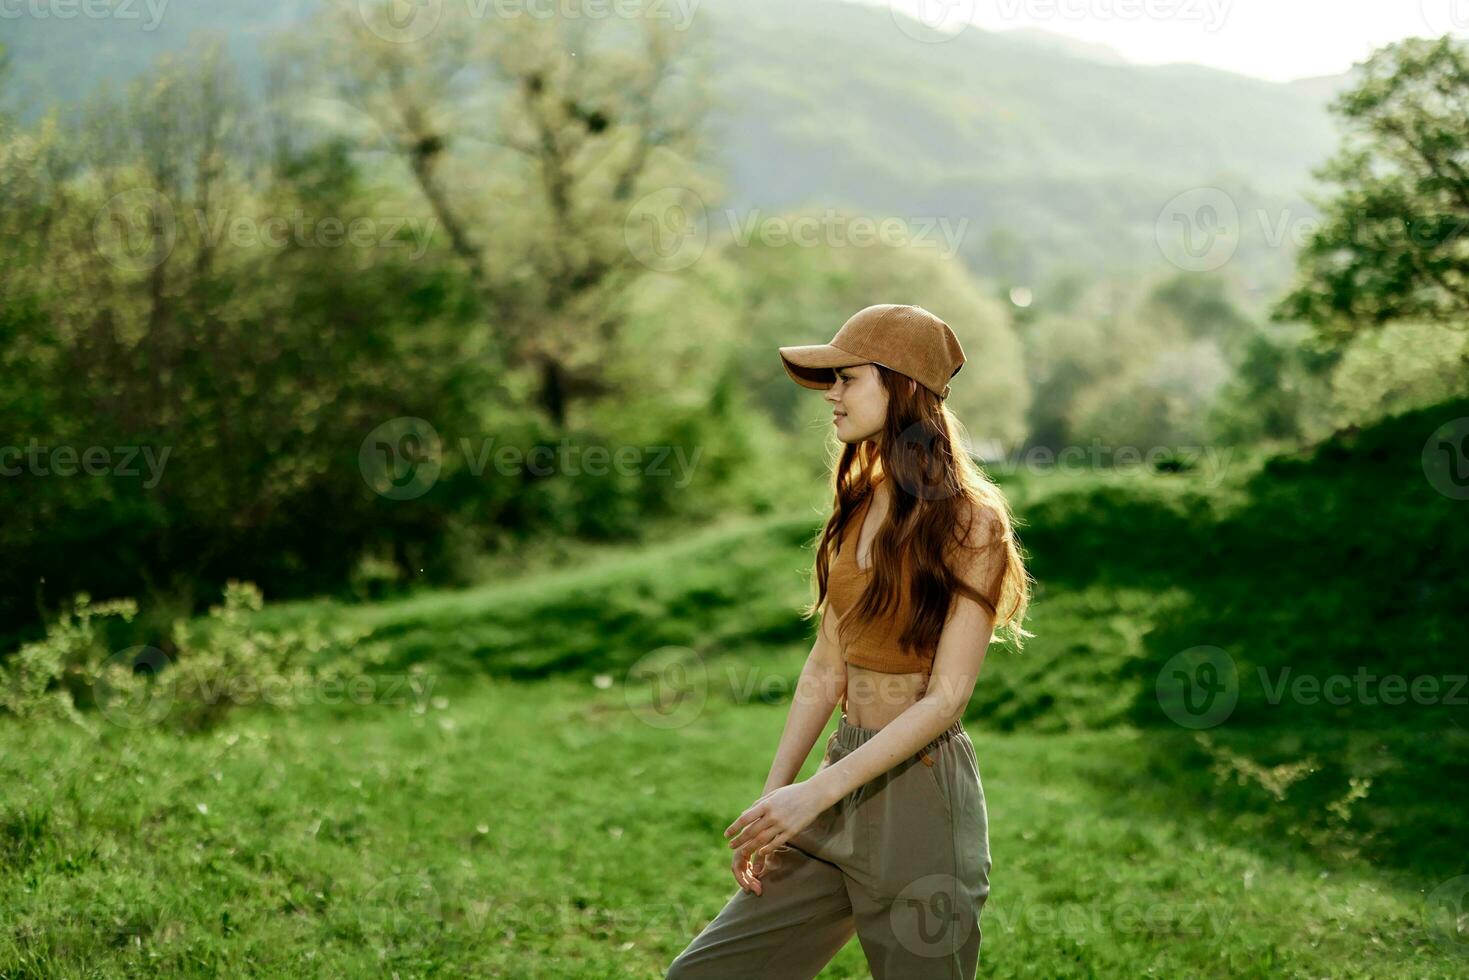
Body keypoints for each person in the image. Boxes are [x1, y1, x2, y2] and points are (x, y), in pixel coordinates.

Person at [665, 304, 1034, 979]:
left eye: (847, 378)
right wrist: (776, 800)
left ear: (902, 387)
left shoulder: (970, 526)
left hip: (921, 803)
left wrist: (816, 792)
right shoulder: (858, 508)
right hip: (841, 777)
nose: (830, 394)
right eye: (830, 379)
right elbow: (826, 663)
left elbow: (946, 699)